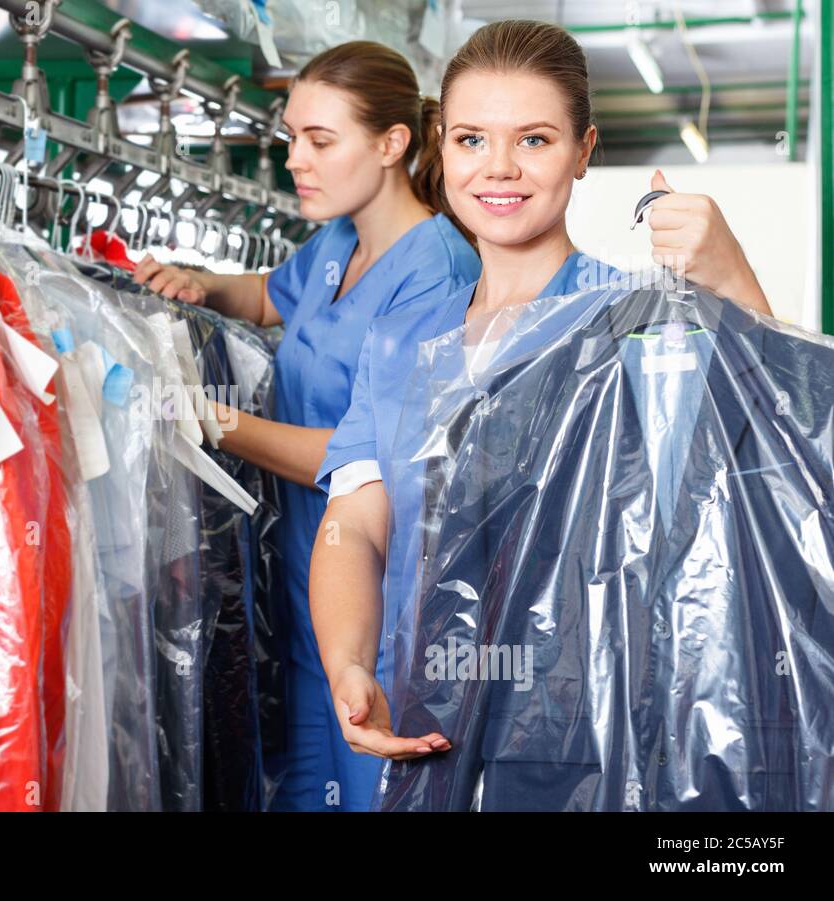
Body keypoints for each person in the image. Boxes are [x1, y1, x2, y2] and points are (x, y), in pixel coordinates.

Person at [309, 20, 772, 780]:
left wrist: (735, 289)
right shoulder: (399, 338)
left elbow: (767, 471)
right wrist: (347, 661)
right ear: (440, 145)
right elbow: (355, 521)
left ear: (584, 152)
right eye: (470, 140)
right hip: (421, 726)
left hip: (588, 743)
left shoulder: (635, 321)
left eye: (534, 140)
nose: (499, 168)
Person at [132, 41, 481, 811]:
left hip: (383, 607)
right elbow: (270, 297)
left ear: (392, 144)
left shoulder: (439, 272)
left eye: (320, 141)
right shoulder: (338, 242)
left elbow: (375, 456)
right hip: (298, 592)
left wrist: (213, 423)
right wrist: (201, 286)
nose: (295, 158)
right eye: (292, 136)